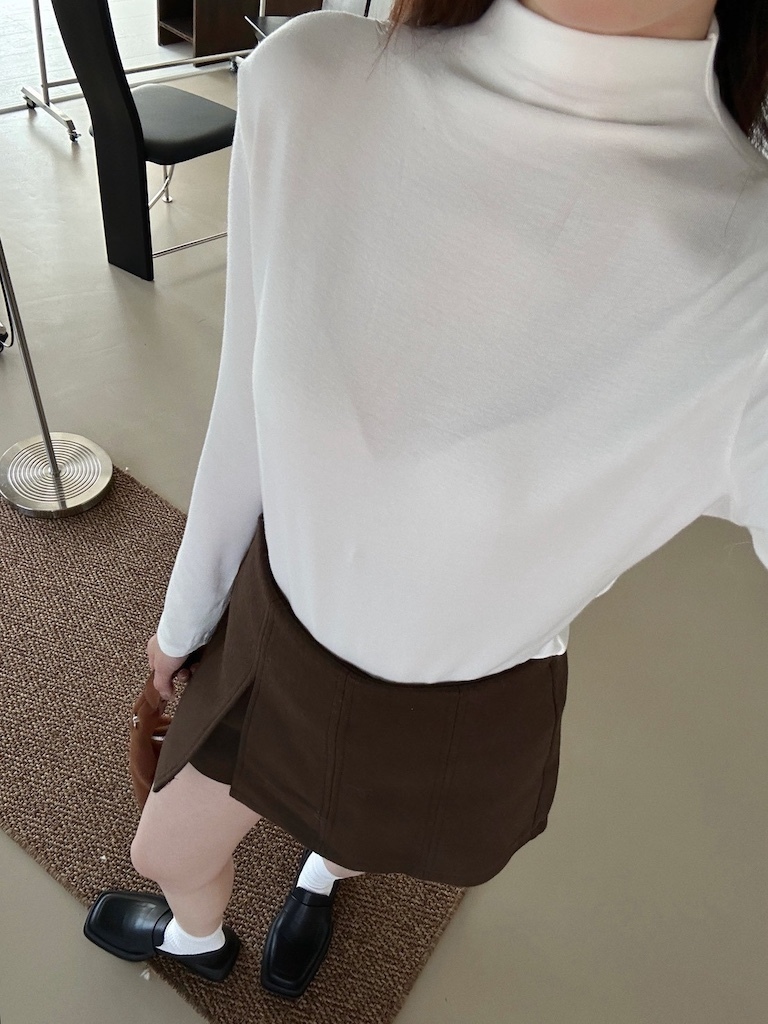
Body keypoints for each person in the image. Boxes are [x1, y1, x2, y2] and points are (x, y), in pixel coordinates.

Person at [83, 0, 768, 1000]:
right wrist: (184, 618)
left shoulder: (747, 275)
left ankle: (322, 874)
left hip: (459, 705)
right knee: (165, 847)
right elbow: (246, 408)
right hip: (276, 635)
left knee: (357, 838)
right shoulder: (315, 80)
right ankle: (198, 936)